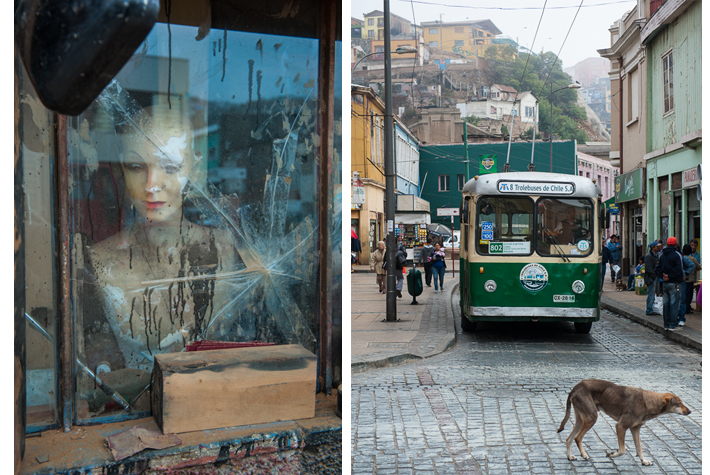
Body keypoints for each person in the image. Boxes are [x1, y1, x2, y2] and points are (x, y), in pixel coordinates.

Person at [86, 106, 241, 380]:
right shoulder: (100, 260)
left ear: (194, 166)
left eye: (170, 166)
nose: (151, 184)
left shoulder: (224, 249)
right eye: (136, 167)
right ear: (122, 169)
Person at [655, 237, 684, 331]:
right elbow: (678, 268)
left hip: (665, 283)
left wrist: (663, 276)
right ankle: (673, 324)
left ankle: (666, 324)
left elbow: (657, 268)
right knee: (674, 303)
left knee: (666, 303)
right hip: (674, 282)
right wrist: (670, 276)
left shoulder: (662, 255)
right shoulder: (677, 255)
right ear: (675, 244)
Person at [678, 244, 696, 325]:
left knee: (680, 300)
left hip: (681, 280)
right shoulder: (684, 258)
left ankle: (678, 317)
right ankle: (681, 317)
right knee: (683, 299)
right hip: (686, 280)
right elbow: (694, 265)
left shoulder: (682, 258)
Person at [644, 241, 662, 315]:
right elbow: (648, 268)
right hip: (651, 278)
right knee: (651, 294)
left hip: (655, 277)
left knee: (653, 293)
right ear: (653, 247)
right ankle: (649, 309)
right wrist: (654, 275)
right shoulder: (649, 256)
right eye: (657, 246)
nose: (658, 247)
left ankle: (651, 308)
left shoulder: (656, 254)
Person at [685, 243, 701, 314]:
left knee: (683, 294)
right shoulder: (692, 259)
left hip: (681, 279)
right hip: (689, 279)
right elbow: (698, 267)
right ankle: (687, 308)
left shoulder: (680, 257)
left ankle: (685, 307)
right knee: (688, 295)